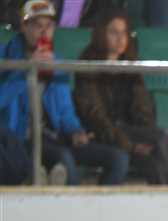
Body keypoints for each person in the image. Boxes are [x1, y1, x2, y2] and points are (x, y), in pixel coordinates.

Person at [0, 0, 129, 185]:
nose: (44, 32)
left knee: (118, 159)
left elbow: (65, 109)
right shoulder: (5, 57)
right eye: (38, 26)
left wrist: (75, 130)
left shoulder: (56, 61)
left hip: (54, 137)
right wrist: (27, 70)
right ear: (24, 27)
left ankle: (96, 203)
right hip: (19, 140)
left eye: (49, 26)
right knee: (64, 158)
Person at [73, 8, 168, 185]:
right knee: (162, 140)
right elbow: (96, 118)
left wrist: (146, 137)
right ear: (101, 34)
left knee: (160, 149)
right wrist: (131, 146)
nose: (120, 39)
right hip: (104, 135)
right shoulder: (87, 66)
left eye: (124, 33)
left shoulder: (131, 65)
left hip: (131, 132)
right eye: (113, 32)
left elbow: (144, 108)